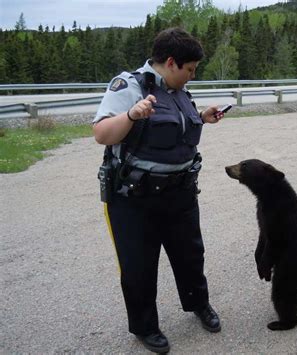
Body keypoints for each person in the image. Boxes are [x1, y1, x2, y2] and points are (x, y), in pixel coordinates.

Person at [93, 27, 225, 354]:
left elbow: (173, 127)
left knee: (190, 256)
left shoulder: (178, 89)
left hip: (180, 194)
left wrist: (201, 117)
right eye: (190, 70)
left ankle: (198, 305)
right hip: (134, 198)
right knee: (138, 265)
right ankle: (145, 327)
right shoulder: (129, 86)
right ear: (170, 62)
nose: (192, 76)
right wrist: (130, 114)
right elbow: (101, 133)